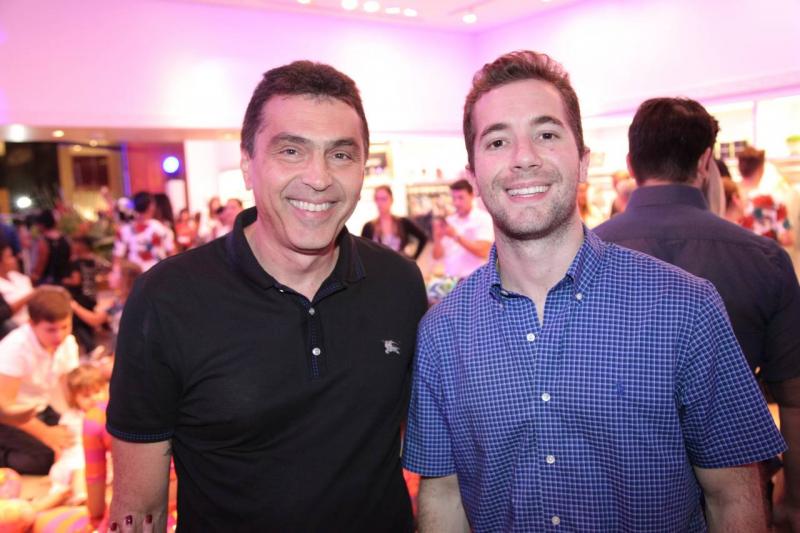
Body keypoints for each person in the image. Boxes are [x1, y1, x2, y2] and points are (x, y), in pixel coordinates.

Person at [402, 50, 785, 532]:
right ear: (475, 176)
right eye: (497, 141)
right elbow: (444, 494)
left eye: (546, 134)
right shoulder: (442, 333)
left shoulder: (685, 307)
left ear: (583, 162)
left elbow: (732, 495)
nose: (524, 157)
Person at [106, 60, 427, 532]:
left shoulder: (398, 282)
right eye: (291, 151)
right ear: (247, 164)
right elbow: (139, 509)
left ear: (363, 168)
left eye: (341, 154)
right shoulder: (167, 299)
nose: (318, 177)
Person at [594, 96, 800, 530]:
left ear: (631, 164)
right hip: (740, 482)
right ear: (706, 162)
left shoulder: (583, 255)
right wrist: (794, 498)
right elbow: (794, 397)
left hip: (616, 488)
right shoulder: (764, 259)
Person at [0, 286, 79, 475]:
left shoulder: (67, 342)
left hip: (38, 408)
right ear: (31, 324)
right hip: (7, 418)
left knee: (72, 442)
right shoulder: (15, 348)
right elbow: (6, 409)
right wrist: (46, 434)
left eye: (65, 327)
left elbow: (70, 389)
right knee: (45, 458)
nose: (59, 336)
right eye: (51, 330)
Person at [432, 179, 493, 278]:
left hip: (475, 280)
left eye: (461, 198)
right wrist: (437, 238)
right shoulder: (449, 220)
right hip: (450, 280)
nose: (456, 203)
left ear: (471, 196)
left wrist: (455, 236)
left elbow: (483, 252)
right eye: (454, 198)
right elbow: (437, 257)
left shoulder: (483, 219)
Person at [112, 191, 175, 272]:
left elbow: (117, 258)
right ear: (151, 206)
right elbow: (172, 254)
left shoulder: (124, 230)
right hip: (159, 274)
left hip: (135, 276)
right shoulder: (162, 229)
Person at [361, 185, 428, 260]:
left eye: (384, 199)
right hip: (377, 266)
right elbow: (362, 251)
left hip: (399, 265)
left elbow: (423, 238)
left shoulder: (402, 222)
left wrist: (413, 259)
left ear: (391, 200)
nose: (380, 203)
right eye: (377, 199)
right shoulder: (369, 227)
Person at [30, 210, 71, 287]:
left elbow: (41, 263)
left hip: (47, 283)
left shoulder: (43, 241)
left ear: (42, 225)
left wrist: (34, 278)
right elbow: (70, 258)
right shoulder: (65, 239)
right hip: (64, 281)